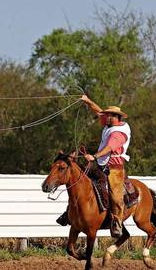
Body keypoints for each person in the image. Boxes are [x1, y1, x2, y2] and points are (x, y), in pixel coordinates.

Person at [56, 94, 131, 238]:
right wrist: (87, 101)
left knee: (115, 195)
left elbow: (109, 147)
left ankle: (116, 222)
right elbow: (97, 110)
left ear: (116, 117)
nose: (104, 117)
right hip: (102, 164)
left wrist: (94, 156)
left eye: (108, 115)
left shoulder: (119, 133)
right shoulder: (110, 123)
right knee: (78, 183)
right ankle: (69, 213)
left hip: (114, 167)